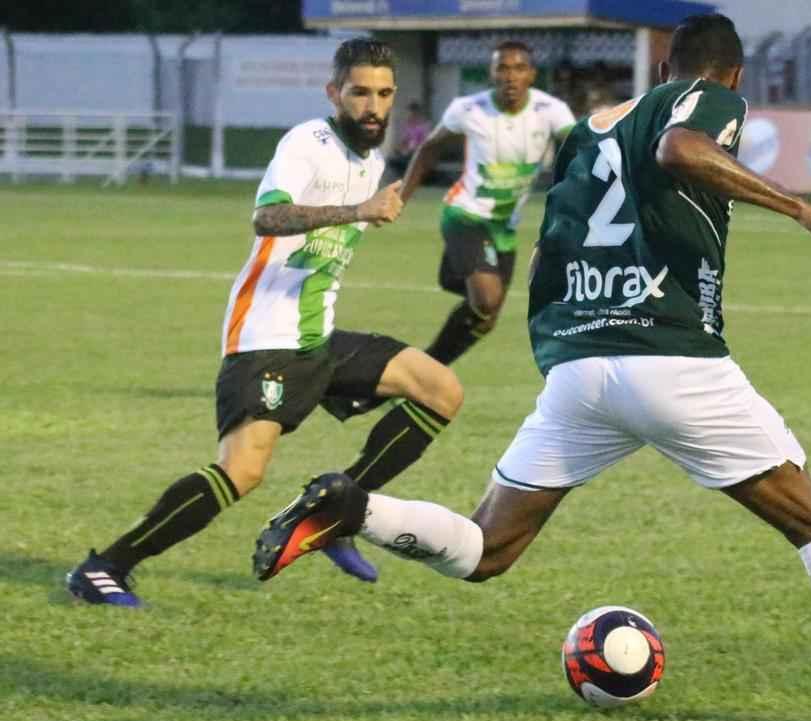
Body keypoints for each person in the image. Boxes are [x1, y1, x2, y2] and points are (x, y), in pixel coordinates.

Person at [252, 15, 811, 721]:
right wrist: (800, 207)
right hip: (674, 360)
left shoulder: (591, 126)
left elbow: (547, 253)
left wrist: (564, 346)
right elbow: (679, 149)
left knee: (486, 548)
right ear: (730, 74)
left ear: (664, 63)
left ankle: (353, 508)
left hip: (581, 367)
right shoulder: (709, 97)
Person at [64, 38, 463, 607]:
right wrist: (358, 210)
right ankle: (105, 568)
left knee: (439, 390)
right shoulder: (307, 142)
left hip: (317, 336)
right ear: (334, 94)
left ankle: (336, 512)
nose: (373, 106)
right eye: (359, 93)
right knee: (242, 472)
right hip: (265, 340)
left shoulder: (371, 161)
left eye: (384, 94)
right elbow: (266, 217)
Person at [398, 40, 577, 368]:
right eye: (503, 68)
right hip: (465, 213)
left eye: (519, 68)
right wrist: (401, 198)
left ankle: (427, 368)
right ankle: (422, 372)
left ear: (532, 75)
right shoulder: (468, 109)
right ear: (491, 74)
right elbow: (429, 149)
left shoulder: (550, 110)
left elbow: (581, 147)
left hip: (504, 227)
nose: (511, 76)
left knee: (486, 318)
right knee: (487, 298)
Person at [390, 100, 432, 174]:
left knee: (406, 161)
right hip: (408, 152)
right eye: (410, 112)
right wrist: (399, 147)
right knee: (392, 161)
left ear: (417, 113)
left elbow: (425, 142)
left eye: (413, 112)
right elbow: (405, 140)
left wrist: (412, 148)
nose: (411, 114)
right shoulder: (408, 125)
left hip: (419, 152)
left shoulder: (424, 125)